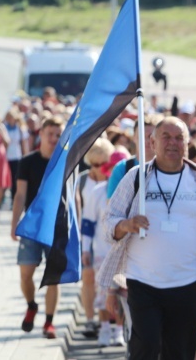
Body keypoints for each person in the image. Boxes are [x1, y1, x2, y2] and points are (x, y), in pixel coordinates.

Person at [97, 116, 196, 360]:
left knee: (180, 353)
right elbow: (109, 221)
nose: (172, 143)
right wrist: (126, 225)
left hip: (188, 283)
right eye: (166, 137)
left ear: (187, 143)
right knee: (146, 347)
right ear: (151, 142)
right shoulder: (136, 177)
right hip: (143, 282)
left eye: (178, 137)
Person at [10, 116, 65, 339]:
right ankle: (31, 305)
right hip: (32, 226)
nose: (54, 139)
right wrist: (14, 224)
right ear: (40, 134)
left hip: (57, 226)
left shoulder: (65, 161)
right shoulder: (28, 161)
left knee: (53, 277)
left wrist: (76, 226)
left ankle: (49, 322)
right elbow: (20, 194)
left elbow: (73, 196)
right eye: (50, 134)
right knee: (26, 274)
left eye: (58, 134)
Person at [82, 148, 131, 347]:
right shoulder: (97, 192)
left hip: (126, 253)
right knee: (103, 292)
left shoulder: (132, 192)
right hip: (101, 252)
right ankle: (104, 328)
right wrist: (85, 249)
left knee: (122, 293)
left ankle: (119, 330)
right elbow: (87, 222)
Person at [77, 137, 115, 338]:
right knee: (89, 278)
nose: (99, 168)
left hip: (107, 238)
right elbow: (81, 211)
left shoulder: (113, 181)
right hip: (87, 235)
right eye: (95, 164)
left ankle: (109, 321)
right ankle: (91, 319)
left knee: (108, 283)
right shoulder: (83, 180)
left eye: (103, 163)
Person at [4, 108, 29, 207]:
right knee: (6, 180)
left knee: (15, 180)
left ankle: (13, 200)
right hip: (6, 157)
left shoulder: (20, 129)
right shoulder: (4, 128)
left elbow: (23, 144)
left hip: (16, 157)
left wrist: (26, 157)